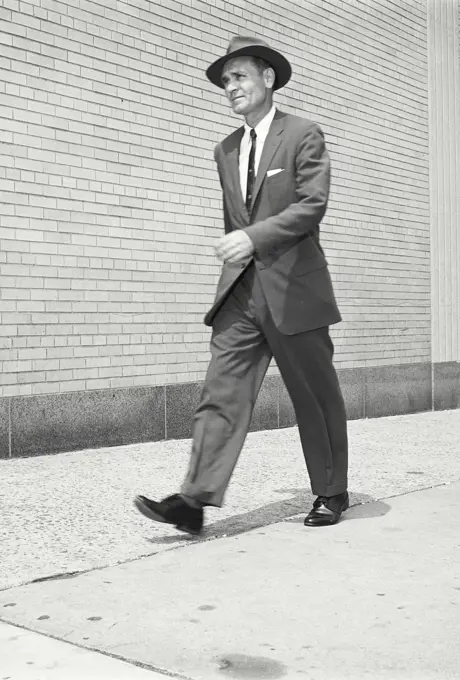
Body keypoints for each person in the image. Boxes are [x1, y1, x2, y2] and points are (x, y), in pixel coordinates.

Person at [134, 36, 348, 535]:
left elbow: (311, 205)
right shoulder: (225, 149)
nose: (231, 87)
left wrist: (251, 238)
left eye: (239, 77)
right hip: (241, 296)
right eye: (225, 81)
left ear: (267, 78)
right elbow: (237, 217)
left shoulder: (303, 134)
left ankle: (332, 490)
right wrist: (240, 247)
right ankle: (194, 499)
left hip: (295, 290)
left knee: (314, 395)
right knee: (220, 393)